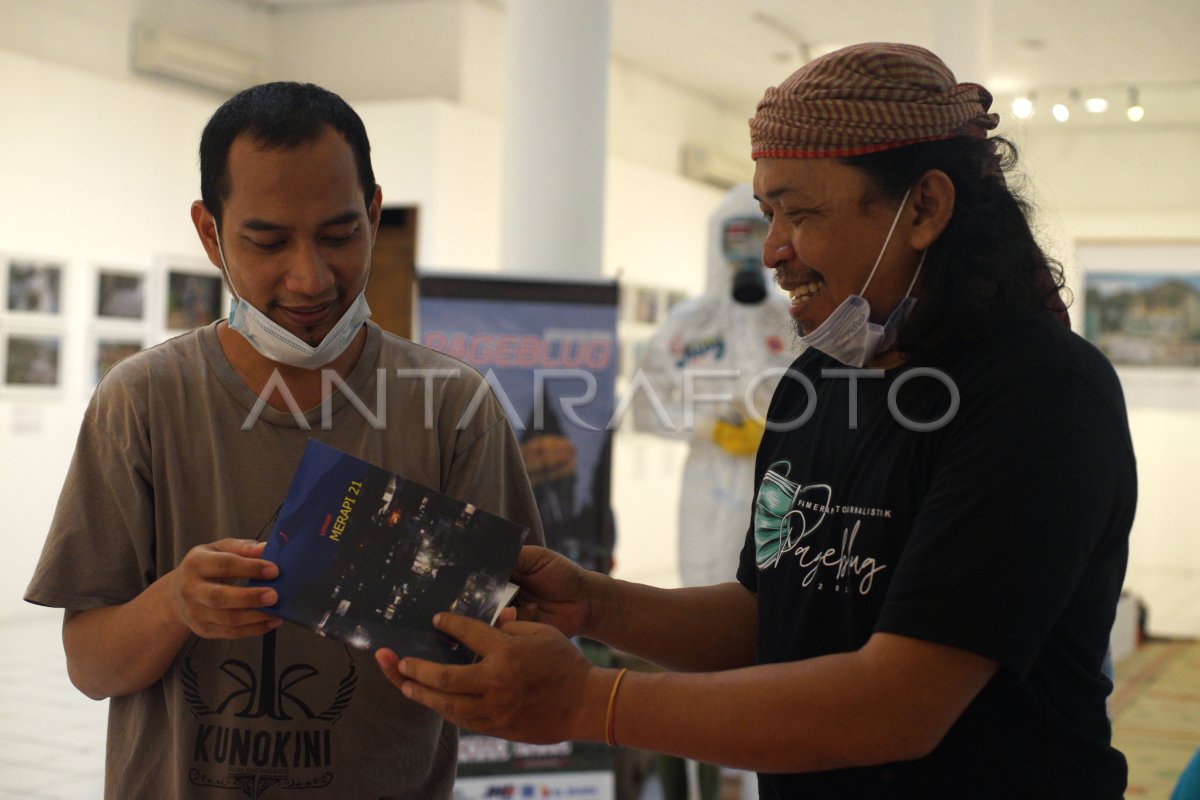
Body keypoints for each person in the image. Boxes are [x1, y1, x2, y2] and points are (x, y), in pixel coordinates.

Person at [375, 43, 1137, 799]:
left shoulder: (1040, 397)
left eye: (800, 214)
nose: (773, 250)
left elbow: (897, 707)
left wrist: (589, 702)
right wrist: (597, 605)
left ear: (927, 208)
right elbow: (772, 616)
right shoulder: (821, 376)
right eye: (767, 212)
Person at [24, 81, 543, 799]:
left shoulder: (453, 406)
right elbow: (90, 667)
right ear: (209, 234)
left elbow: (520, 657)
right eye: (267, 241)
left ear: (373, 213)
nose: (310, 277)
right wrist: (176, 602)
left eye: (339, 235)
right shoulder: (142, 401)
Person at [631, 182, 793, 800]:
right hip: (711, 488)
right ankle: (704, 774)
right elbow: (646, 405)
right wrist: (706, 427)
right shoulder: (687, 325)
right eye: (737, 236)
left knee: (775, 617)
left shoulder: (792, 320)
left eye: (758, 233)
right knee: (705, 613)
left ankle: (762, 775)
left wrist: (778, 427)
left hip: (785, 487)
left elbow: (837, 401)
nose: (748, 249)